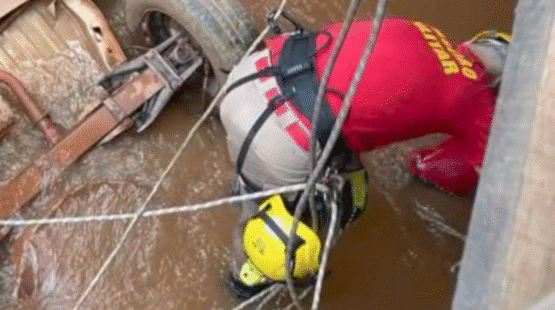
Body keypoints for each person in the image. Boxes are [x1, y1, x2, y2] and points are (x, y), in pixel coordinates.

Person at [218, 16, 510, 297]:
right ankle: (244, 280)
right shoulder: (479, 103)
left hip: (255, 72)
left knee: (323, 180)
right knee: (280, 240)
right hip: (282, 136)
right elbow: (460, 174)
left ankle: (248, 186)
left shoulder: (425, 30)